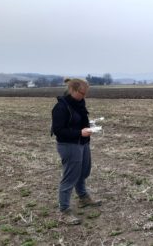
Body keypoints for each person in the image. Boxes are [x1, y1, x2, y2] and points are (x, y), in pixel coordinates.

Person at [51, 78, 102, 225]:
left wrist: (89, 126)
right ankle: (64, 211)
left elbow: (79, 121)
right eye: (82, 93)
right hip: (69, 145)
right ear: (73, 90)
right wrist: (80, 133)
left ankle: (83, 197)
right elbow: (59, 131)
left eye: (86, 93)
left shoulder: (79, 103)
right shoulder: (61, 107)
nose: (84, 96)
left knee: (83, 171)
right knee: (70, 177)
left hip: (82, 143)